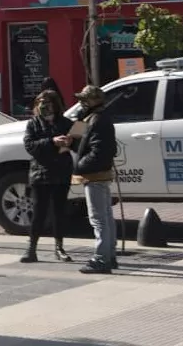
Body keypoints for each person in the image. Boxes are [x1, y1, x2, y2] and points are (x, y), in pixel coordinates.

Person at [21, 89, 75, 264]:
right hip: (41, 173)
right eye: (40, 103)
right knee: (39, 212)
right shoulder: (33, 124)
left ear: (55, 104)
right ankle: (31, 248)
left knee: (59, 211)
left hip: (61, 172)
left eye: (47, 102)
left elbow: (78, 144)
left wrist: (71, 141)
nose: (43, 106)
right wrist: (52, 142)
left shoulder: (66, 123)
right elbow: (30, 145)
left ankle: (59, 247)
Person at [72, 85, 119, 275]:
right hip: (98, 174)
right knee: (105, 216)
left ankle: (101, 258)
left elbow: (99, 152)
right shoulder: (91, 117)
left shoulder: (98, 120)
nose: (81, 103)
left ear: (93, 101)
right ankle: (109, 255)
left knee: (99, 219)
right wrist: (77, 123)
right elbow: (76, 142)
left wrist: (79, 166)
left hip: (95, 175)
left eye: (84, 99)